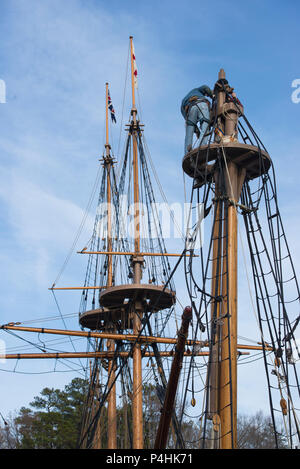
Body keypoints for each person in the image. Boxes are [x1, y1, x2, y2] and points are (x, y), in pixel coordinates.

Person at [181, 85, 213, 154]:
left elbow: (187, 119)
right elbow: (205, 87)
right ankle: (201, 148)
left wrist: (197, 131)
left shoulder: (184, 101)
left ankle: (187, 153)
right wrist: (212, 95)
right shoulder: (197, 90)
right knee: (205, 127)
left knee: (189, 133)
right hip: (201, 104)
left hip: (190, 109)